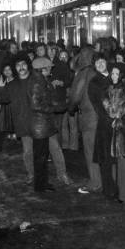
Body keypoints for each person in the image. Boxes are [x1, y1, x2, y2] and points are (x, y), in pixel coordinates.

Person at [0, 57, 56, 192]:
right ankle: (34, 178)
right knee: (29, 153)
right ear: (15, 68)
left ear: (28, 66)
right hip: (23, 124)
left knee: (43, 155)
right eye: (18, 65)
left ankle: (42, 183)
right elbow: (1, 99)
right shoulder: (12, 84)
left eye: (23, 64)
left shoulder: (34, 80)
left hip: (39, 124)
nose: (21, 67)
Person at [69, 46, 102, 194]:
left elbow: (75, 97)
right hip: (100, 116)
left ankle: (95, 182)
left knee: (90, 151)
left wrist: (70, 108)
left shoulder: (83, 73)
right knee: (100, 151)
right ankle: (102, 179)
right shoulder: (97, 71)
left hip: (89, 117)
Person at [33, 57, 71, 186]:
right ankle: (40, 181)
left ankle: (58, 175)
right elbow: (36, 105)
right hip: (40, 124)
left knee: (52, 150)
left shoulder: (44, 81)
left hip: (45, 123)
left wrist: (61, 105)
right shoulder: (38, 83)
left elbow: (48, 100)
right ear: (43, 69)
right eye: (49, 67)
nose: (51, 69)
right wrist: (55, 107)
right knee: (42, 154)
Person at [88, 54, 118, 199]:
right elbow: (98, 106)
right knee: (106, 159)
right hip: (106, 124)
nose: (100, 64)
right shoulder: (94, 82)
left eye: (102, 61)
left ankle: (120, 187)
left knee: (118, 158)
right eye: (97, 62)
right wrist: (109, 119)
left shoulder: (115, 75)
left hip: (119, 123)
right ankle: (109, 189)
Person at [102, 63, 125, 203]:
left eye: (116, 74)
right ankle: (115, 189)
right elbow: (106, 103)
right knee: (112, 158)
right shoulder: (109, 88)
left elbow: (123, 107)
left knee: (120, 157)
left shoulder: (123, 89)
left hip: (120, 128)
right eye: (112, 73)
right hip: (111, 126)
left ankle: (122, 191)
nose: (114, 76)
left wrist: (117, 116)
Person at [0, 63, 15, 154]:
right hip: (3, 108)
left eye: (9, 69)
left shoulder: (16, 82)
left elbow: (10, 96)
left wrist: (1, 88)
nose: (7, 72)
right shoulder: (2, 81)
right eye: (5, 70)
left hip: (14, 108)